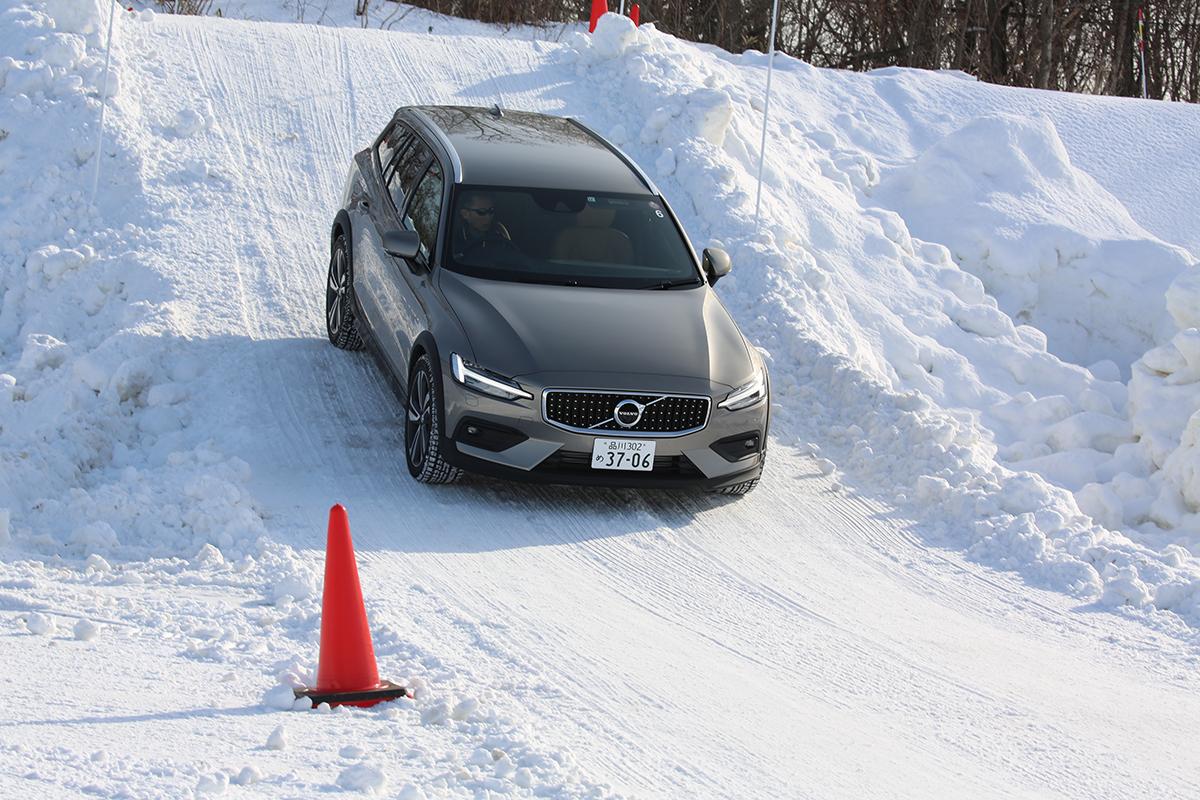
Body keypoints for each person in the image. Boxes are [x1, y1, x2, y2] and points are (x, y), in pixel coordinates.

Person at [453, 191, 511, 258]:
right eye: (481, 212)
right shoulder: (451, 239)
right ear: (465, 214)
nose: (488, 217)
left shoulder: (500, 233)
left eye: (491, 210)